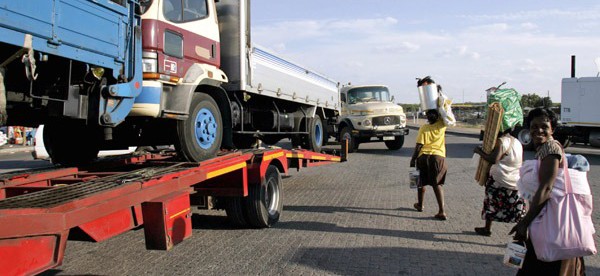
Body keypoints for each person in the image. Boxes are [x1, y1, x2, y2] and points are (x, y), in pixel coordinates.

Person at [510, 108, 585, 275]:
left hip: (552, 222)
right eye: (534, 126)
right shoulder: (543, 149)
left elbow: (546, 187)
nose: (538, 130)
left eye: (544, 126)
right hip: (546, 220)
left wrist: (525, 222)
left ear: (553, 129)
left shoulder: (550, 149)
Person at [473, 128, 526, 236]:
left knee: (491, 204)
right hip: (516, 181)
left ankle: (487, 229)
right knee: (516, 208)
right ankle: (521, 232)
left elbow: (493, 159)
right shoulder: (517, 141)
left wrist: (479, 151)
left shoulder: (501, 141)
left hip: (499, 179)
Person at [410, 77, 448, 220]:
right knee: (437, 184)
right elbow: (445, 111)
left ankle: (420, 204)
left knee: (420, 182)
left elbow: (419, 146)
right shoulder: (441, 125)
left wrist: (412, 159)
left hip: (424, 158)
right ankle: (442, 210)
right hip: (439, 158)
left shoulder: (424, 128)